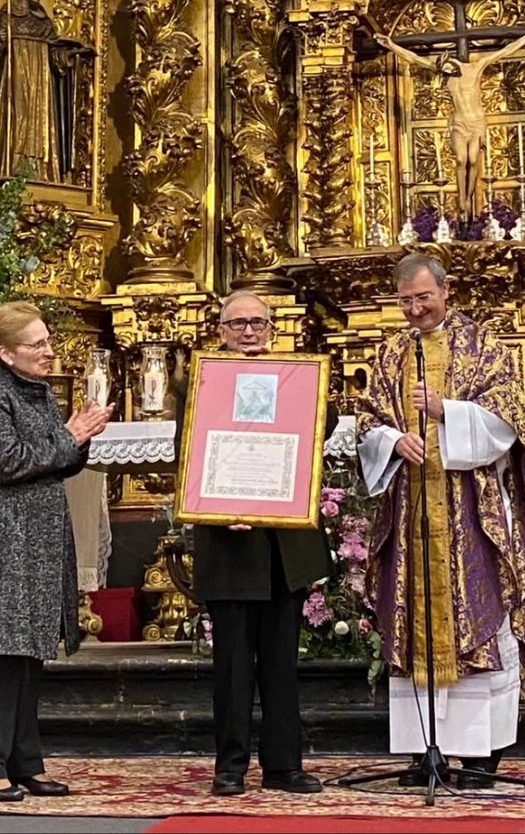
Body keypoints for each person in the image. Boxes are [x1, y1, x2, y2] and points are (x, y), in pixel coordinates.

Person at [356, 253, 525, 789]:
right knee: (413, 621)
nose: (416, 309)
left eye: (424, 297)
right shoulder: (392, 351)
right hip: (411, 510)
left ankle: (483, 754)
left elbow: (510, 418)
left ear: (446, 291)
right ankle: (427, 749)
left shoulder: (483, 346)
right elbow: (367, 420)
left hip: (472, 509)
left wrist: (448, 411)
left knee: (481, 621)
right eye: (406, 301)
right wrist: (393, 440)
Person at [174, 289, 334, 797]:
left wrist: (302, 384)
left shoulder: (297, 375)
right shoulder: (201, 382)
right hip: (229, 541)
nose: (249, 333)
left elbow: (321, 428)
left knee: (282, 664)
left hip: (282, 544)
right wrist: (221, 506)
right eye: (237, 324)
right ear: (220, 331)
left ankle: (284, 765)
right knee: (233, 666)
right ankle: (231, 765)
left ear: (273, 329)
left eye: (258, 324)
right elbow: (190, 452)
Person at [0, 301, 112, 802]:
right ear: (6, 353)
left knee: (29, 655)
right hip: (5, 538)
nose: (48, 351)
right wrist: (68, 436)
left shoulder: (41, 394)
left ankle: (25, 760)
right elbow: (8, 462)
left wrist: (80, 437)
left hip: (41, 538)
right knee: (2, 652)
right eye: (37, 344)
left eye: (47, 341)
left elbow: (58, 463)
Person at [374, 27, 525, 224]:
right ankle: (462, 200)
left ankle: (468, 196)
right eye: (444, 72)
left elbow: (504, 51)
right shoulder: (446, 73)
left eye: (448, 70)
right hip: (459, 122)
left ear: (452, 61)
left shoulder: (475, 67)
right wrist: (391, 45)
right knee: (461, 159)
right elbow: (414, 59)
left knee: (473, 158)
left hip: (476, 122)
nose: (446, 74)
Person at [0, 0, 82, 183]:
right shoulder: (8, 16)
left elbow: (55, 53)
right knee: (17, 115)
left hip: (41, 81)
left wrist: (67, 55)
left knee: (39, 121)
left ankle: (37, 169)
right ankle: (10, 164)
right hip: (15, 74)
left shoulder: (45, 21)